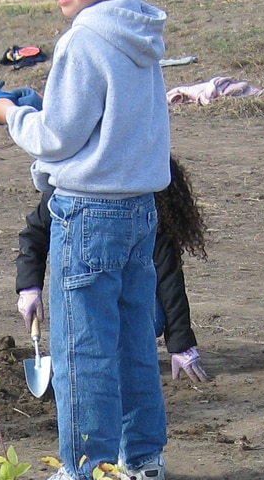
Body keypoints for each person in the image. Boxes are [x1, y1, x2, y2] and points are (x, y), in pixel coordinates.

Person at [0, 0, 172, 480]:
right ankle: (143, 463)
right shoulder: (141, 35)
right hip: (139, 211)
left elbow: (58, 137)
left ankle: (85, 476)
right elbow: (108, 122)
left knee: (82, 347)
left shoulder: (83, 39)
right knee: (135, 341)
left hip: (86, 216)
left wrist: (7, 113)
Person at [16, 156, 212, 384]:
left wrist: (181, 343)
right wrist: (29, 287)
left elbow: (168, 275)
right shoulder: (66, 190)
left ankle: (118, 348)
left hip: (130, 297)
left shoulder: (146, 202)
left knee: (143, 319)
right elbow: (34, 236)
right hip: (84, 295)